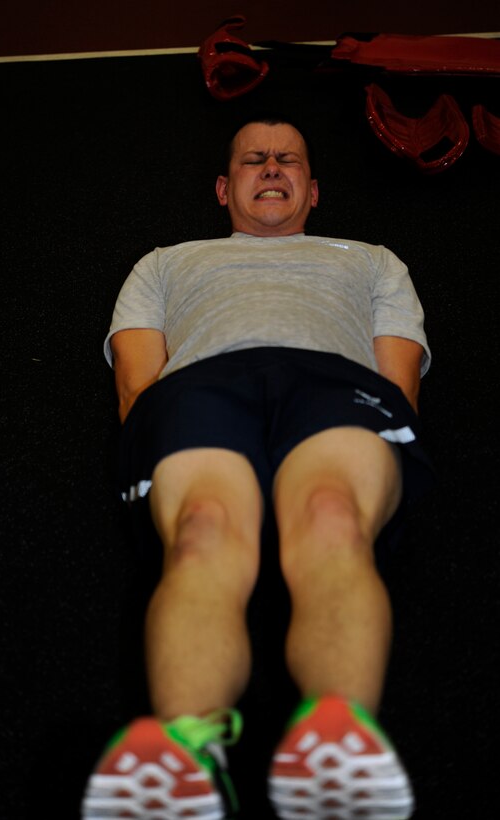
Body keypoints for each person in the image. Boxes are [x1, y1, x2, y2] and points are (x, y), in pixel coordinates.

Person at [82, 116, 433, 819]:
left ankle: (340, 756)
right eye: (252, 160)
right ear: (223, 187)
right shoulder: (165, 262)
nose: (271, 168)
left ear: (312, 190)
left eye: (288, 161)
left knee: (333, 514)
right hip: (202, 386)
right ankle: (182, 757)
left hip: (332, 382)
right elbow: (135, 391)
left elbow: (398, 387)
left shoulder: (371, 260)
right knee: (204, 527)